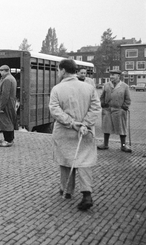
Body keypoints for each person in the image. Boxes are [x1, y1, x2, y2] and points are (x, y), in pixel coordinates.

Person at [49, 59, 101, 211]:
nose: (58, 73)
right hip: (85, 133)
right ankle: (87, 194)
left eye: (59, 70)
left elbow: (54, 109)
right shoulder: (89, 88)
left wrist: (71, 123)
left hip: (65, 131)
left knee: (65, 160)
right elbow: (96, 107)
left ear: (63, 71)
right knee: (84, 162)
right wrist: (85, 123)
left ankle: (66, 191)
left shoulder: (57, 89)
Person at [98, 69, 132, 153]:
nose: (111, 76)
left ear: (118, 76)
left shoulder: (125, 86)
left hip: (119, 110)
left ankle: (123, 146)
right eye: (110, 75)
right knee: (106, 128)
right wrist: (103, 104)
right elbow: (102, 97)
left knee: (122, 129)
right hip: (107, 110)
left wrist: (124, 107)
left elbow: (128, 99)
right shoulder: (106, 85)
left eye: (113, 75)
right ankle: (105, 144)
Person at [0, 65, 19, 147]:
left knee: (6, 122)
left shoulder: (7, 80)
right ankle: (9, 139)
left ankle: (8, 140)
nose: (0, 72)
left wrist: (1, 107)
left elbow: (5, 95)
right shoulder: (9, 78)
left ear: (5, 71)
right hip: (8, 104)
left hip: (6, 105)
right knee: (7, 121)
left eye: (1, 71)